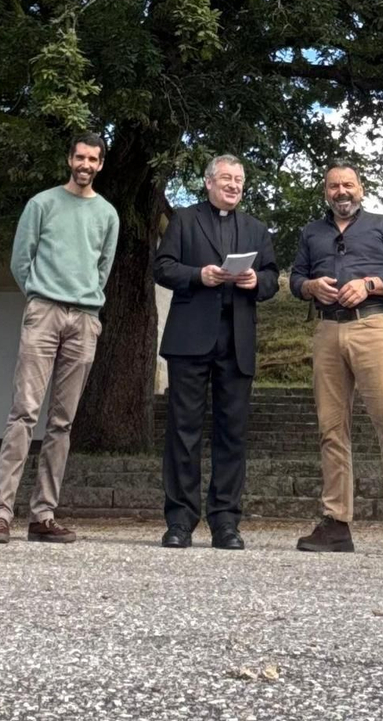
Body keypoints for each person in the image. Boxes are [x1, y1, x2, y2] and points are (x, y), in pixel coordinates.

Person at [0, 131, 120, 546]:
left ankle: (43, 514)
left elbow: (103, 268)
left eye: (93, 159)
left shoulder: (108, 215)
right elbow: (20, 260)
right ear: (69, 159)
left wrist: (84, 307)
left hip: (84, 319)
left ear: (100, 164)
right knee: (24, 412)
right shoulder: (41, 204)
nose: (86, 164)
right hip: (43, 313)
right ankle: (1, 514)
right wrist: (40, 297)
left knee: (62, 422)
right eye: (80, 157)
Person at [289, 160, 383, 557]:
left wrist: (368, 284)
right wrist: (311, 286)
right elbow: (295, 279)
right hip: (328, 331)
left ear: (360, 189)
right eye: (334, 186)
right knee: (331, 428)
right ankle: (336, 523)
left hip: (372, 327)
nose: (341, 192)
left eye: (348, 185)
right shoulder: (312, 232)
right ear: (325, 192)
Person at [153, 153, 280, 549]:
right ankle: (180, 521)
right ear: (208, 183)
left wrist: (255, 281)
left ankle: (226, 522)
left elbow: (274, 279)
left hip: (236, 340)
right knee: (183, 432)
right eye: (226, 178)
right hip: (190, 339)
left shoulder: (257, 229)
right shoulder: (185, 221)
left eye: (239, 180)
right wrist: (199, 275)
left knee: (232, 434)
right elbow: (163, 267)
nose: (233, 185)